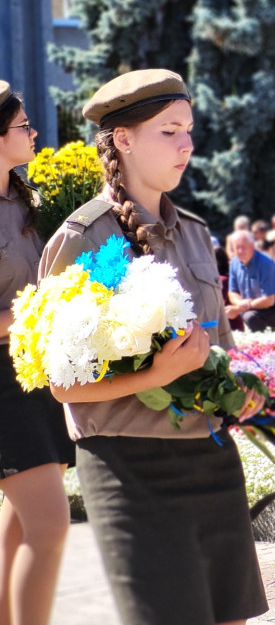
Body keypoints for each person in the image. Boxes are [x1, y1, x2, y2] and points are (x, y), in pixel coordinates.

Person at [40, 69, 267, 625]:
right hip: (128, 465)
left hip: (210, 454)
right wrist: (157, 374)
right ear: (123, 139)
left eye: (189, 129)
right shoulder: (80, 238)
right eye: (169, 130)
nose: (187, 144)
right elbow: (61, 382)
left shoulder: (193, 230)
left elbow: (220, 346)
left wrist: (237, 387)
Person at [0, 82, 75, 625]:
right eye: (24, 126)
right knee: (50, 525)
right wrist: (36, 317)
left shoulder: (26, 198)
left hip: (34, 370)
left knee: (23, 525)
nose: (34, 133)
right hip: (3, 382)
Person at [227, 231, 275, 331]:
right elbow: (232, 292)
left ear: (252, 246)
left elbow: (269, 300)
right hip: (253, 309)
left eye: (243, 247)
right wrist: (241, 302)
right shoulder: (234, 263)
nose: (240, 251)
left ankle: (265, 344)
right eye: (237, 247)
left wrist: (241, 308)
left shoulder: (266, 263)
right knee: (227, 314)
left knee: (250, 317)